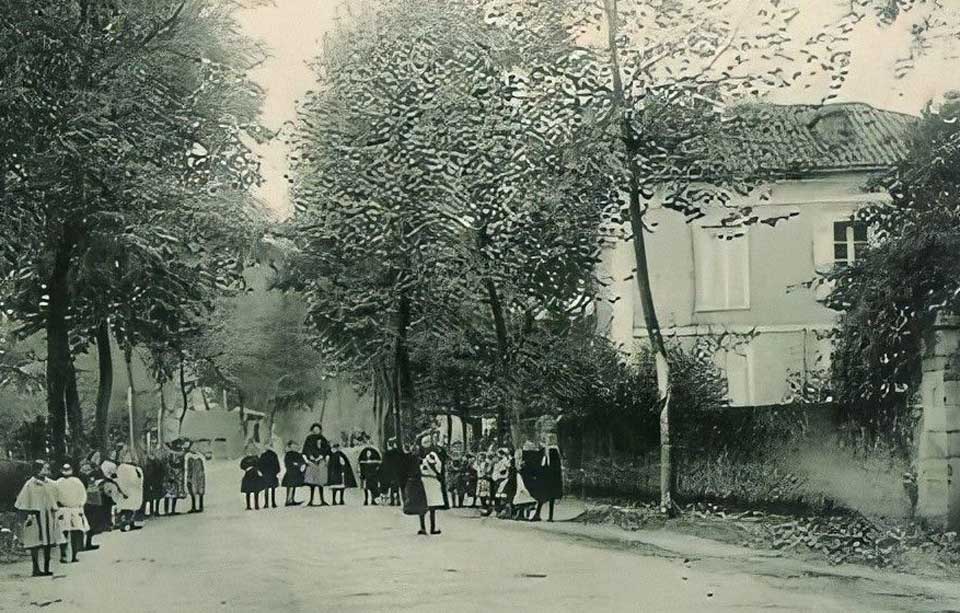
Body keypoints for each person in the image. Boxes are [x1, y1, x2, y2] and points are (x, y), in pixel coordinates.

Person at [15, 460, 59, 577]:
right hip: (35, 515)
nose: (47, 470)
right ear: (37, 469)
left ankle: (46, 567)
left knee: (48, 542)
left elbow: (55, 497)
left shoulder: (51, 483)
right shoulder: (30, 484)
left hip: (48, 515)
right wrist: (28, 512)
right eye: (44, 468)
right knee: (35, 542)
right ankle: (36, 568)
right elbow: (22, 501)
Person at [405, 440, 446, 536]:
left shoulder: (420, 458)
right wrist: (438, 474)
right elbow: (433, 465)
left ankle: (423, 527)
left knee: (424, 506)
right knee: (431, 507)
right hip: (430, 482)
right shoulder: (430, 456)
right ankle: (431, 528)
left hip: (424, 481)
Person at [54, 464, 89, 563]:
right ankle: (64, 554)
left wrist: (80, 505)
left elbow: (83, 495)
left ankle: (73, 555)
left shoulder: (77, 482)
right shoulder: (58, 483)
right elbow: (55, 495)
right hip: (64, 510)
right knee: (64, 533)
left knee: (75, 533)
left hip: (74, 509)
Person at [532, 436, 563, 522]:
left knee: (545, 496)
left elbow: (548, 464)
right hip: (550, 476)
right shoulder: (551, 450)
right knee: (547, 496)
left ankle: (544, 516)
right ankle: (545, 516)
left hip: (549, 476)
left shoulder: (552, 450)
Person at [301, 423, 330, 507]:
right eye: (315, 429)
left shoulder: (323, 438)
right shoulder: (309, 438)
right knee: (312, 482)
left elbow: (326, 449)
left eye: (318, 429)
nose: (316, 430)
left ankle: (322, 500)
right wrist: (310, 456)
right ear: (312, 429)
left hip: (320, 461)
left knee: (320, 481)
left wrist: (322, 455)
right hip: (311, 462)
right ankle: (311, 500)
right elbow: (306, 449)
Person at [115, 450, 144, 531]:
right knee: (130, 508)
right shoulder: (132, 468)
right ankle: (126, 523)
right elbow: (137, 480)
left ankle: (127, 522)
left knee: (127, 508)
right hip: (131, 491)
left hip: (127, 491)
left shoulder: (122, 468)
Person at [162, 440, 187, 515]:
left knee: (171, 493)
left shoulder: (172, 453)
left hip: (174, 475)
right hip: (174, 475)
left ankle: (169, 510)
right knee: (171, 493)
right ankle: (170, 510)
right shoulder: (177, 453)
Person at [380, 437, 404, 506]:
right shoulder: (399, 452)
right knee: (396, 486)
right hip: (397, 472)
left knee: (391, 486)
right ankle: (398, 500)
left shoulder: (388, 454)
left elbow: (385, 464)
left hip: (390, 472)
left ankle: (393, 500)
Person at [184, 442, 207, 513]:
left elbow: (202, 467)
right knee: (195, 490)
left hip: (197, 475)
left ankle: (199, 506)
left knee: (198, 490)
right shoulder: (191, 456)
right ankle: (196, 506)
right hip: (195, 475)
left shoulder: (197, 456)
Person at [281, 441, 305, 506]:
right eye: (293, 446)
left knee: (293, 486)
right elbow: (288, 463)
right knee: (290, 486)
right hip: (290, 473)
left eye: (295, 446)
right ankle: (288, 500)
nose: (294, 447)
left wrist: (299, 465)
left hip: (296, 473)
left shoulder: (298, 454)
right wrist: (296, 464)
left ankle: (292, 499)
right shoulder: (288, 454)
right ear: (290, 447)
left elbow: (302, 462)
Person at [142, 448, 165, 517]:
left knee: (153, 497)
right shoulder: (152, 462)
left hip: (154, 481)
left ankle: (153, 511)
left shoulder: (155, 462)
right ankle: (151, 511)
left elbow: (161, 471)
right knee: (149, 497)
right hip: (151, 481)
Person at [258, 443, 281, 509]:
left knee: (266, 489)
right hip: (272, 473)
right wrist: (276, 472)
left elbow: (260, 465)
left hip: (266, 474)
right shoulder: (274, 455)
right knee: (273, 489)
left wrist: (262, 472)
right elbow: (277, 465)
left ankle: (266, 503)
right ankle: (273, 503)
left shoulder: (263, 455)